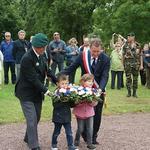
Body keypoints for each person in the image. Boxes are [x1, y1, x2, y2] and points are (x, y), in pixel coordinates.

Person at [60, 37, 110, 144]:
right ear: (90, 48)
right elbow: (71, 68)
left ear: (101, 49)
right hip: (84, 91)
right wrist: (58, 76)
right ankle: (84, 135)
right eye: (93, 51)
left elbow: (105, 76)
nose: (96, 53)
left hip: (98, 90)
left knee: (97, 115)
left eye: (98, 51)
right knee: (83, 114)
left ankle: (93, 137)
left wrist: (100, 90)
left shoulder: (105, 59)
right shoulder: (83, 56)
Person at [15, 33, 57, 150]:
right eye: (41, 47)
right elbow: (33, 79)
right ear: (34, 46)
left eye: (44, 47)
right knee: (32, 119)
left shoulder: (43, 55)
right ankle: (34, 145)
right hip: (26, 93)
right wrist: (47, 92)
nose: (43, 49)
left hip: (37, 93)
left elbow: (47, 70)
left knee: (36, 118)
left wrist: (57, 80)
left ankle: (28, 137)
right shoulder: (27, 58)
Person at [51, 74, 77, 150]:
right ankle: (54, 144)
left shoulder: (69, 92)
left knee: (69, 133)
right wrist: (63, 98)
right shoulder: (56, 93)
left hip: (67, 117)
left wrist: (74, 100)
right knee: (56, 132)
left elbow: (71, 105)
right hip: (58, 117)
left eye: (66, 83)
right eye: (62, 83)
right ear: (58, 84)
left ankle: (71, 146)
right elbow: (55, 106)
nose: (65, 85)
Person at [73, 74, 97, 149]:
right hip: (80, 113)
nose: (91, 83)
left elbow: (95, 103)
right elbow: (75, 103)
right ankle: (76, 140)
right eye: (89, 81)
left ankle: (89, 143)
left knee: (90, 128)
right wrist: (81, 100)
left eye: (92, 81)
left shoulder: (93, 91)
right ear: (83, 82)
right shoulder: (78, 91)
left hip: (90, 113)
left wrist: (91, 101)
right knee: (80, 128)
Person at [122, 32, 141, 98]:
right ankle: (129, 92)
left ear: (133, 37)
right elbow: (123, 55)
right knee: (128, 79)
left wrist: (141, 65)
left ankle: (134, 93)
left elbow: (139, 55)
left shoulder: (138, 45)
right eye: (128, 37)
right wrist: (122, 64)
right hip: (127, 64)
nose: (128, 38)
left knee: (135, 79)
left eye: (129, 37)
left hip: (135, 64)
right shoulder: (125, 45)